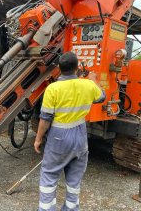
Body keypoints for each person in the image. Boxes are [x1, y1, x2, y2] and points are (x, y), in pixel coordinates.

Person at [34, 52, 105, 211]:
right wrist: (93, 80)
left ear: (59, 68)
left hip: (59, 138)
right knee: (74, 180)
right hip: (80, 137)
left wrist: (38, 139)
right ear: (77, 67)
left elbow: (45, 118)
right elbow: (102, 97)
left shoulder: (53, 89)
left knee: (49, 176)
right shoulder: (88, 85)